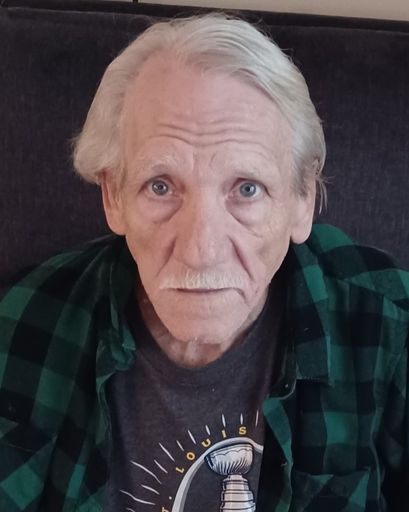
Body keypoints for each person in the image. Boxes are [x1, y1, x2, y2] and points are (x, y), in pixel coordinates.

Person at [0, 13, 408, 512]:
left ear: (302, 198)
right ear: (113, 196)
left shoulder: (390, 328)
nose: (200, 250)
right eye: (161, 186)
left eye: (247, 189)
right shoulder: (24, 324)